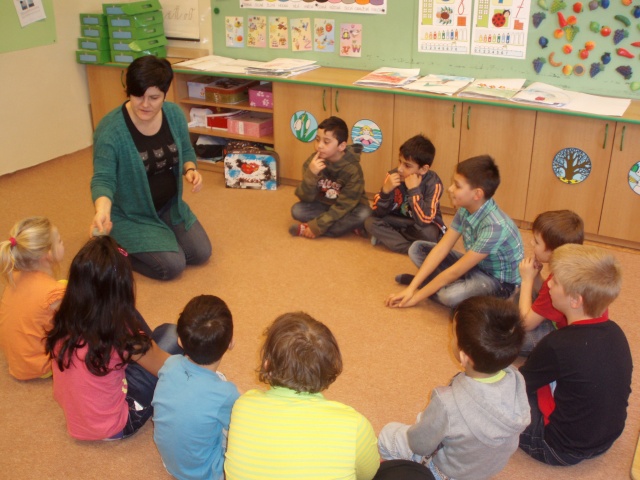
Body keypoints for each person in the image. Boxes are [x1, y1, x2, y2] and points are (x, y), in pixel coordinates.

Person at [378, 296, 530, 480]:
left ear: (464, 357)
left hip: (444, 472)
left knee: (388, 434)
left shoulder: (447, 403)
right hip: (481, 471)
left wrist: (429, 423)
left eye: (453, 335)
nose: (450, 339)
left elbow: (419, 445)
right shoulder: (516, 378)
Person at [90, 55, 211, 281]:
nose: (145, 104)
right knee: (173, 266)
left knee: (200, 253)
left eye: (154, 98)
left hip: (170, 206)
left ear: (165, 94)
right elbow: (103, 178)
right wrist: (102, 211)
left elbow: (185, 149)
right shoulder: (110, 130)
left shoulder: (174, 114)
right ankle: (116, 249)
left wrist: (189, 169)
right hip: (131, 214)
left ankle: (159, 234)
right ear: (129, 92)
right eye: (138, 96)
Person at [224, 312, 380, 480]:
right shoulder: (355, 424)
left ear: (267, 365)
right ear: (329, 370)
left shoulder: (243, 406)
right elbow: (368, 474)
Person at [46, 236, 172, 440]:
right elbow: (167, 368)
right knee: (171, 334)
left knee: (137, 330)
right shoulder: (121, 333)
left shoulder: (64, 317)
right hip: (116, 424)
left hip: (78, 418)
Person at [519, 244, 632, 466]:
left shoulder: (556, 344)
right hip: (606, 439)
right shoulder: (616, 332)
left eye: (555, 282)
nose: (548, 284)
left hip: (558, 448)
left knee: (490, 391)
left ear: (575, 300)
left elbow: (520, 386)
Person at [386, 155, 523, 309]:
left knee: (448, 296)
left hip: (499, 283)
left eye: (457, 186)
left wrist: (416, 297)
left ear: (477, 194)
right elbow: (442, 248)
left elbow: (454, 272)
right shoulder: (465, 208)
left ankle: (434, 287)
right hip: (477, 266)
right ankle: (437, 286)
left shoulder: (495, 226)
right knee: (417, 249)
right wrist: (411, 288)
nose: (450, 189)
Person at [152, 295, 240, 480]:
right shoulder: (226, 393)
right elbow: (242, 427)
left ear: (179, 341)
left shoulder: (170, 365)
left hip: (170, 464)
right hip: (207, 473)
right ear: (231, 342)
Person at [0, 217, 65, 380]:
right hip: (39, 365)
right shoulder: (53, 293)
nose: (63, 243)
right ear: (48, 255)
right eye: (59, 241)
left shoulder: (15, 277)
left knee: (63, 287)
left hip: (17, 361)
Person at [289, 116, 372, 238]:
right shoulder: (312, 162)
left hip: (349, 207)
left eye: (326, 142)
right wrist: (311, 175)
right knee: (297, 210)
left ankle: (309, 228)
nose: (319, 146)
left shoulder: (353, 170)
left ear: (341, 146)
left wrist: (317, 227)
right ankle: (348, 226)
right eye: (317, 140)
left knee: (364, 213)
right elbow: (305, 198)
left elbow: (345, 205)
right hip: (324, 204)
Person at [365, 135, 446, 254]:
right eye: (400, 161)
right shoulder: (393, 176)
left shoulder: (433, 183)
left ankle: (393, 239)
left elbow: (425, 220)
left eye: (407, 165)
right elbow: (377, 213)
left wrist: (414, 190)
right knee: (370, 221)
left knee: (430, 234)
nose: (400, 169)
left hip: (419, 224)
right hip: (397, 220)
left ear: (423, 169)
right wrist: (385, 192)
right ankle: (412, 249)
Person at [518, 210, 584, 354]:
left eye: (536, 242)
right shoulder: (571, 265)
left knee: (517, 337)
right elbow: (546, 293)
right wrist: (536, 276)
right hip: (573, 328)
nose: (531, 243)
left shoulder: (562, 279)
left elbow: (526, 324)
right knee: (521, 298)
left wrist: (526, 280)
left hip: (569, 339)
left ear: (553, 251)